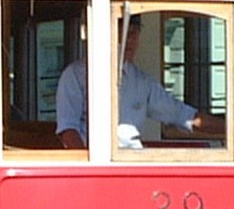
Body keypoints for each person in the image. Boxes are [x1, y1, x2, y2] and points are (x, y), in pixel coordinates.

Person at [55, 12, 215, 148]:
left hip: (132, 164)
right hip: (98, 168)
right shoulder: (75, 75)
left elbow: (181, 114)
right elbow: (68, 130)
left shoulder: (142, 82)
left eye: (135, 33)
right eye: (124, 32)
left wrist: (230, 128)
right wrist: (90, 171)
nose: (130, 40)